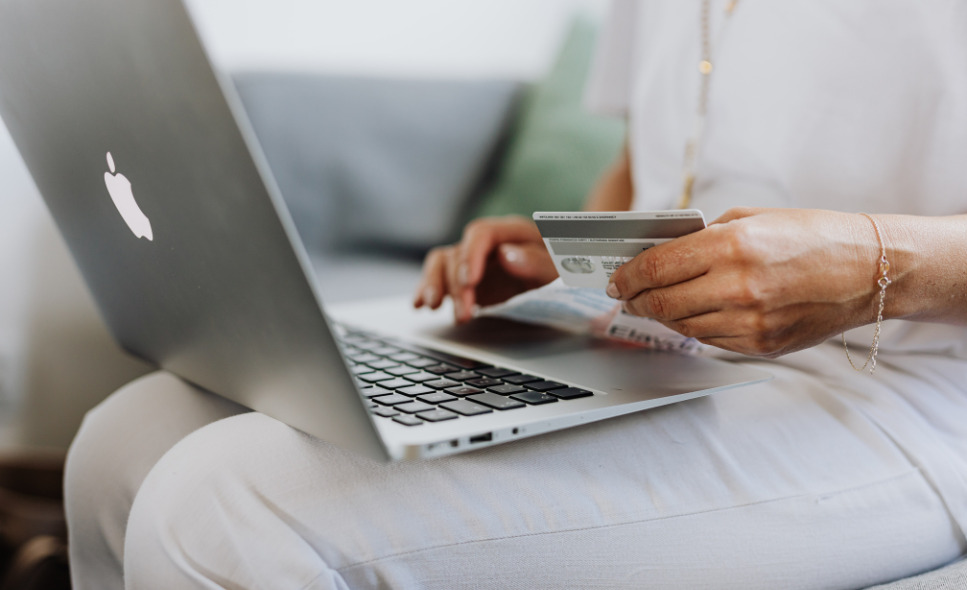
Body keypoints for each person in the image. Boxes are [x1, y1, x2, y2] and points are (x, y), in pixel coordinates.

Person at [65, 1, 967, 589]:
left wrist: (871, 262)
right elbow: (642, 162)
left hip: (894, 386)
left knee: (220, 508)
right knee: (125, 438)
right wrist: (578, 252)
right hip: (664, 347)